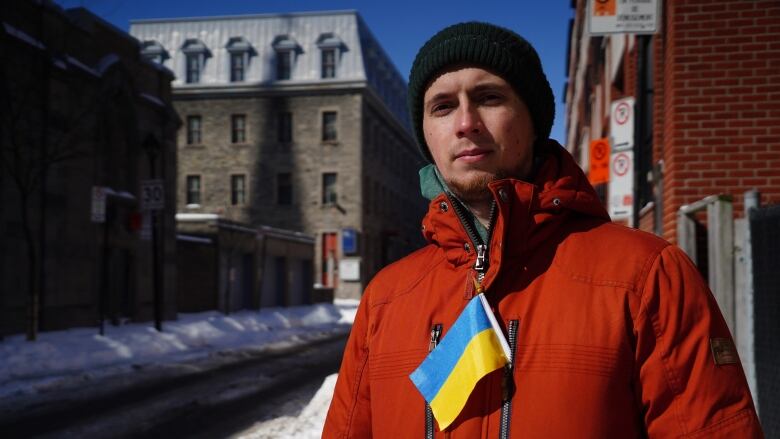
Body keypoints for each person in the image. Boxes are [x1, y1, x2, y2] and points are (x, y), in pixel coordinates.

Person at [323, 22, 763, 438]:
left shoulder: (647, 277)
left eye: (489, 97)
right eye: (442, 106)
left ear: (534, 122)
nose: (465, 122)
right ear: (426, 134)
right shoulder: (385, 299)